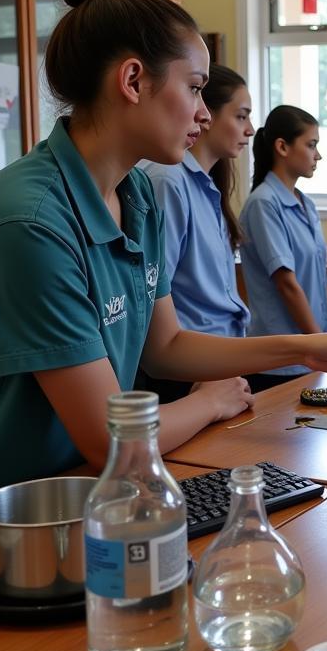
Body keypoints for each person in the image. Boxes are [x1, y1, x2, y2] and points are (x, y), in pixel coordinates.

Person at [0, 0, 327, 525]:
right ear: (132, 80)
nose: (205, 113)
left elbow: (165, 346)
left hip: (79, 493)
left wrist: (309, 347)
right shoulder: (29, 222)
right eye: (197, 88)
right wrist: (208, 401)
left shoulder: (138, 196)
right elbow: (110, 439)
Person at [140, 63, 254, 400]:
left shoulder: (206, 186)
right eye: (241, 116)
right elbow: (155, 293)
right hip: (186, 371)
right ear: (208, 115)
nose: (249, 130)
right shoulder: (167, 181)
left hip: (217, 362)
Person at [239, 105, 327, 393]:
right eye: (311, 145)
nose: (318, 155)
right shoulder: (264, 203)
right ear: (282, 147)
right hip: (280, 361)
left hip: (308, 354)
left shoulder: (306, 203)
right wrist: (321, 344)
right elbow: (286, 283)